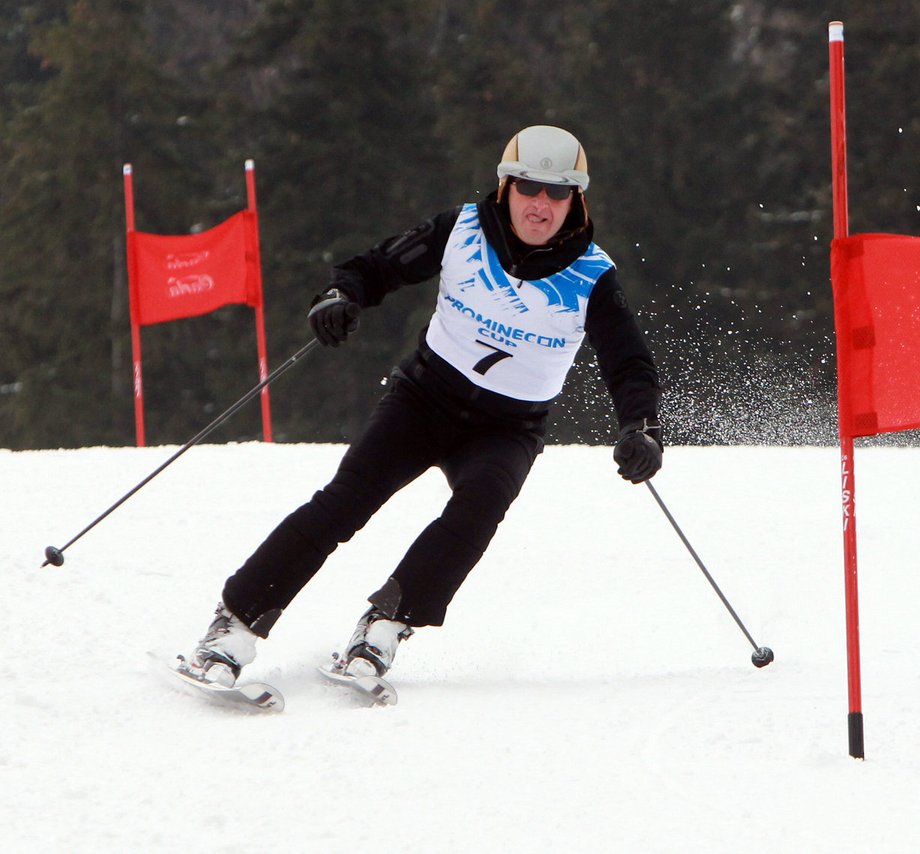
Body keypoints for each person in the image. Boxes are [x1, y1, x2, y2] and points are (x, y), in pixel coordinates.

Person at [185, 125, 663, 687]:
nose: (542, 204)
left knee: (476, 513)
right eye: (529, 187)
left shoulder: (592, 275)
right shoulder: (460, 229)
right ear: (505, 186)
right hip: (423, 399)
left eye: (558, 193)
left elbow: (629, 363)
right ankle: (234, 627)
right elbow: (375, 267)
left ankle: (383, 627)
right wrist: (340, 296)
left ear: (575, 199)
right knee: (345, 502)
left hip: (509, 427)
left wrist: (642, 427)